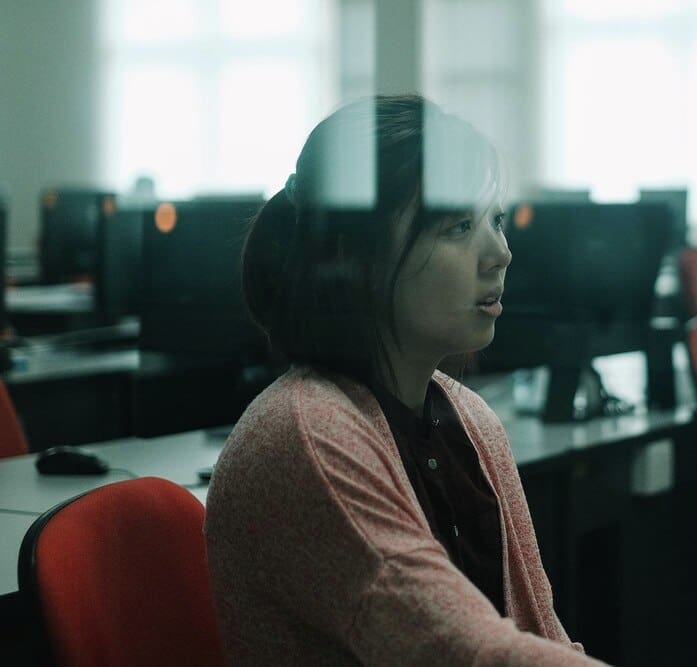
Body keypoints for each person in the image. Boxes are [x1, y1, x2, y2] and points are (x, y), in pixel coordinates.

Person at [204, 95, 604, 665]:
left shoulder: (470, 419)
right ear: (356, 256)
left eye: (494, 219)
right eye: (459, 225)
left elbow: (543, 639)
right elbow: (461, 652)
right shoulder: (308, 437)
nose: (501, 253)